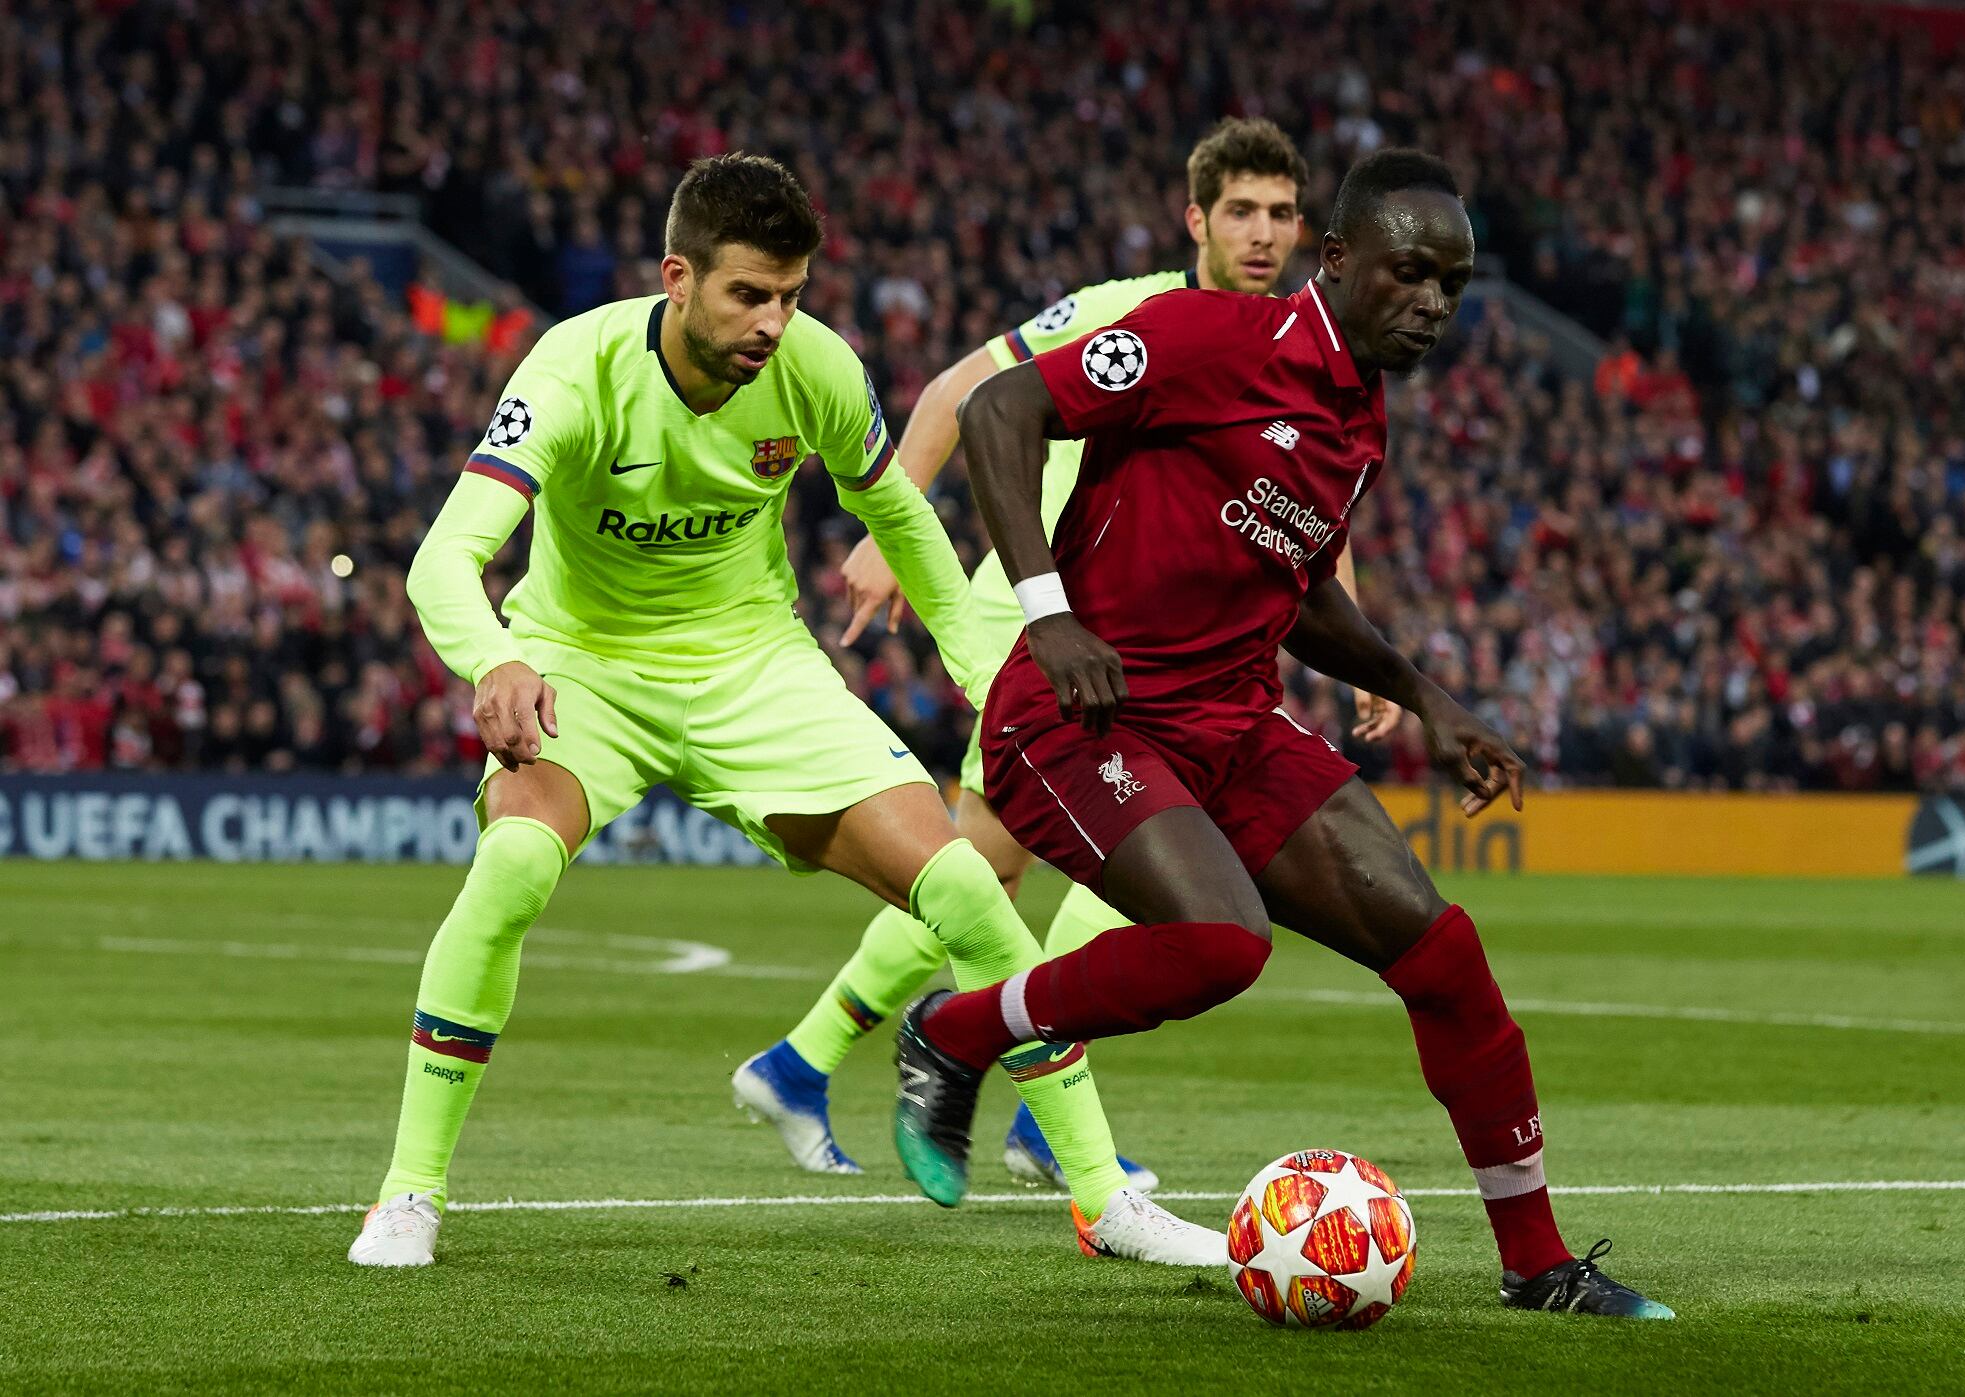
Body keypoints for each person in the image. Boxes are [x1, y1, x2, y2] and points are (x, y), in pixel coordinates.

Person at [347, 153, 1219, 1268]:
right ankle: (407, 1193)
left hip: (753, 665)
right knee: (511, 867)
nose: (773, 321)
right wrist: (496, 659)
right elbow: (441, 562)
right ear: (678, 276)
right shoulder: (575, 368)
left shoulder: (814, 368)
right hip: (584, 666)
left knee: (961, 882)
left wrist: (975, 665)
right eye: (748, 293)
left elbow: (897, 513)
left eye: (791, 295)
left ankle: (1103, 1199)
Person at [894, 148, 1674, 1319]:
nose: (1432, 303)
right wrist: (1046, 613)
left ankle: (1536, 1263)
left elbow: (1298, 587)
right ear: (1339, 258)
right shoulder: (1204, 336)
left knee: (1442, 954)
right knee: (1220, 942)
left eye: (1452, 285)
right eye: (1410, 273)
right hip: (1077, 713)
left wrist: (1426, 695)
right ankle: (952, 1029)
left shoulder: (1356, 416)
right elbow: (998, 407)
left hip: (1228, 722)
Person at [732, 119, 1404, 1230]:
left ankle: (811, 1064)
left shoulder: (1301, 346)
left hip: (1161, 656)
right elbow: (959, 388)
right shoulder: (1126, 307)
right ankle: (1001, 1109)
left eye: (1281, 213)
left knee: (998, 868)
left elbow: (1305, 508)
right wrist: (886, 524)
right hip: (1051, 628)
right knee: (1029, 862)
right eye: (1239, 210)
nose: (1262, 233)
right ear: (1194, 219)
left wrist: (1364, 640)